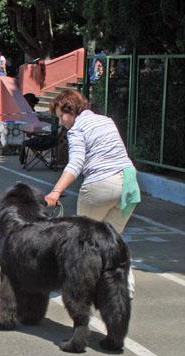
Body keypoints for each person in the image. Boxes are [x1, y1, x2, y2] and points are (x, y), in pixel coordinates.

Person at [44, 89, 140, 298]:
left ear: (72, 110)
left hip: (100, 185)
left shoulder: (77, 129)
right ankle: (126, 288)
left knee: (82, 241)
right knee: (114, 239)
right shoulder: (106, 120)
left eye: (61, 116)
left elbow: (76, 163)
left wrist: (56, 191)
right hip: (128, 184)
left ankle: (75, 287)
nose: (61, 122)